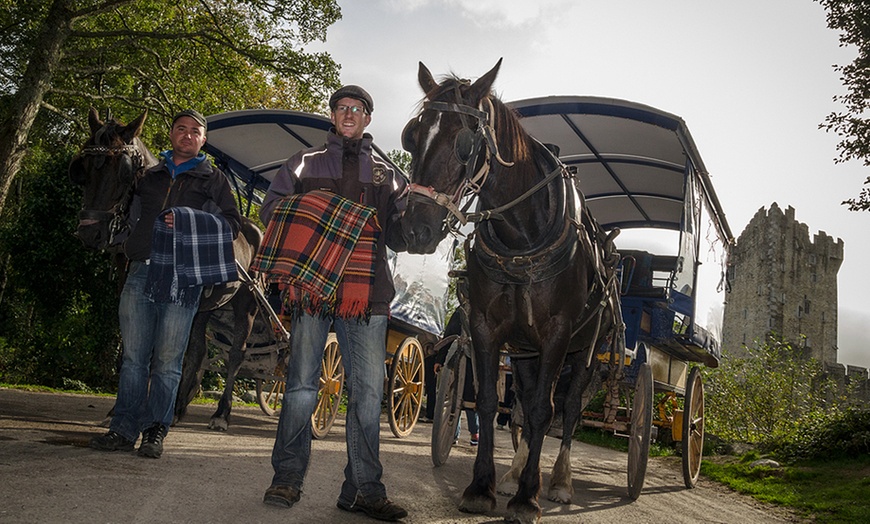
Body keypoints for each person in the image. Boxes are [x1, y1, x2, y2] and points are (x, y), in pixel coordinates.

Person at [254, 85, 408, 522]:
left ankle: (362, 490)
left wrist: (418, 214)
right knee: (302, 386)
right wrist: (332, 216)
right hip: (312, 289)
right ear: (333, 115)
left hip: (368, 292)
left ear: (368, 119)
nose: (349, 113)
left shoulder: (387, 175)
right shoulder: (304, 162)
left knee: (367, 393)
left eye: (357, 109)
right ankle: (286, 477)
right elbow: (272, 210)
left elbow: (399, 235)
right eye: (342, 107)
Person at [90, 109, 242, 459]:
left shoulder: (213, 179)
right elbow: (122, 208)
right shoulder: (147, 175)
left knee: (168, 361)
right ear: (171, 134)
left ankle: (156, 430)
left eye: (195, 131)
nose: (187, 135)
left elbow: (232, 224)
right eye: (181, 129)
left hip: (183, 279)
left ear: (204, 140)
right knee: (133, 359)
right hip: (140, 271)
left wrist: (191, 220)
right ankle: (122, 429)